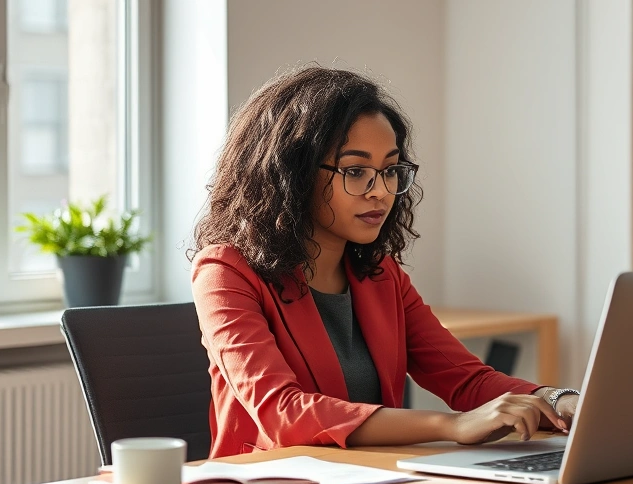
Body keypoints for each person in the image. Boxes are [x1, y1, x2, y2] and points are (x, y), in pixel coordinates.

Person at [190, 66, 578, 458]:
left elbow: (467, 380)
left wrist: (559, 401)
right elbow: (282, 413)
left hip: (375, 481)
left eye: (390, 170)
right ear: (293, 175)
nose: (381, 192)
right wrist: (452, 425)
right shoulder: (224, 273)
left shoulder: (379, 274)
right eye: (356, 171)